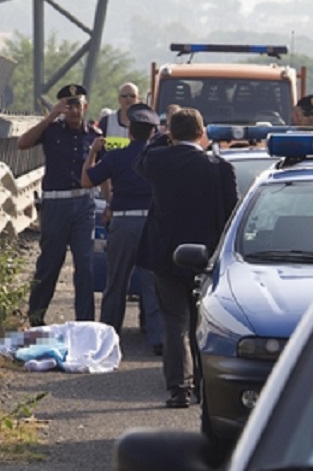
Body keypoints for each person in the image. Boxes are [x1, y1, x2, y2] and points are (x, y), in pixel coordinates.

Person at [135, 107, 239, 408]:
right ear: (201, 132)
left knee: (174, 322)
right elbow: (231, 215)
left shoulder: (157, 161)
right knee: (203, 323)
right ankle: (205, 387)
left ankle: (179, 388)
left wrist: (161, 136)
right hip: (206, 258)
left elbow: (140, 160)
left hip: (166, 256)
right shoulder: (219, 168)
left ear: (171, 133)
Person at [81, 103, 164, 355]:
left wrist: (93, 153)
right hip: (152, 223)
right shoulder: (159, 158)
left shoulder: (116, 157)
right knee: (152, 281)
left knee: (117, 279)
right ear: (152, 132)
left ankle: (109, 334)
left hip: (124, 222)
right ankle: (157, 337)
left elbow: (86, 180)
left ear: (129, 131)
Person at [17, 83, 100, 327]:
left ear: (86, 107)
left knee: (85, 265)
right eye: (68, 106)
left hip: (84, 204)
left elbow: (103, 171)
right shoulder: (51, 131)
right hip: (56, 205)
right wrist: (50, 117)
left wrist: (110, 202)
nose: (74, 111)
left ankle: (85, 322)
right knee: (50, 263)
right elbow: (23, 143)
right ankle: (36, 317)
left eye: (78, 105)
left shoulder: (94, 137)